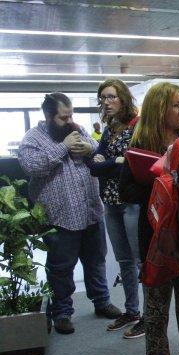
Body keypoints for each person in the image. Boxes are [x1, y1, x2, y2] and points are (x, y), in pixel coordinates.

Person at [18, 92, 121, 334]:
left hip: (90, 211)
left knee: (96, 261)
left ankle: (102, 301)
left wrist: (89, 148)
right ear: (48, 116)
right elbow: (34, 166)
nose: (69, 120)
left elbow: (99, 152)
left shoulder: (78, 129)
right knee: (61, 267)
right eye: (64, 117)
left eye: (71, 115)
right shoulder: (32, 139)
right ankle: (62, 312)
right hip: (60, 217)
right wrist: (62, 148)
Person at [119, 82, 179, 355]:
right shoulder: (140, 142)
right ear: (160, 107)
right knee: (157, 295)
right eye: (176, 104)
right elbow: (126, 190)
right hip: (155, 231)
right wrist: (161, 182)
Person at [87, 79, 143, 336]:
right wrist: (113, 162)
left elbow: (131, 166)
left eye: (110, 97)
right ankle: (132, 310)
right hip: (110, 202)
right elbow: (94, 166)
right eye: (103, 98)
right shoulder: (110, 129)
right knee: (124, 260)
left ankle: (149, 317)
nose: (106, 102)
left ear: (123, 98)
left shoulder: (138, 127)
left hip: (131, 202)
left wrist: (107, 163)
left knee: (141, 260)